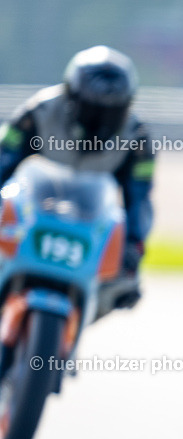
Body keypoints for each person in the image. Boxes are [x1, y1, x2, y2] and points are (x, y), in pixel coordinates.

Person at [0, 46, 154, 305]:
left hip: (89, 228)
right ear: (70, 97)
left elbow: (139, 198)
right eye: (92, 109)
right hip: (31, 217)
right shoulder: (38, 111)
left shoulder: (137, 140)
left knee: (120, 290)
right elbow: (4, 158)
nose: (99, 120)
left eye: (110, 111)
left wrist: (133, 246)